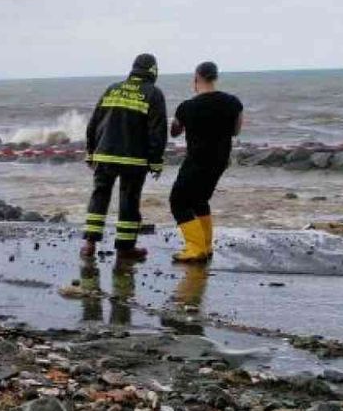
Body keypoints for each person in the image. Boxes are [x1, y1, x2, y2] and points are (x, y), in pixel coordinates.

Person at [82, 53, 168, 260]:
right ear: (153, 71)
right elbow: (157, 131)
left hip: (104, 156)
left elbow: (94, 122)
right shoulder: (153, 94)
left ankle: (89, 244)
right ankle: (125, 248)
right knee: (129, 201)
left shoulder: (112, 88)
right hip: (134, 160)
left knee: (99, 196)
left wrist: (91, 152)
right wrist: (156, 162)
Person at [169, 61, 243, 262]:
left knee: (178, 201)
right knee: (200, 200)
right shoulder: (233, 103)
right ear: (215, 77)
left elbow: (174, 132)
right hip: (220, 160)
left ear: (197, 78)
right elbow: (236, 130)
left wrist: (177, 121)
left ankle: (195, 248)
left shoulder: (187, 107)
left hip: (196, 160)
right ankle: (206, 246)